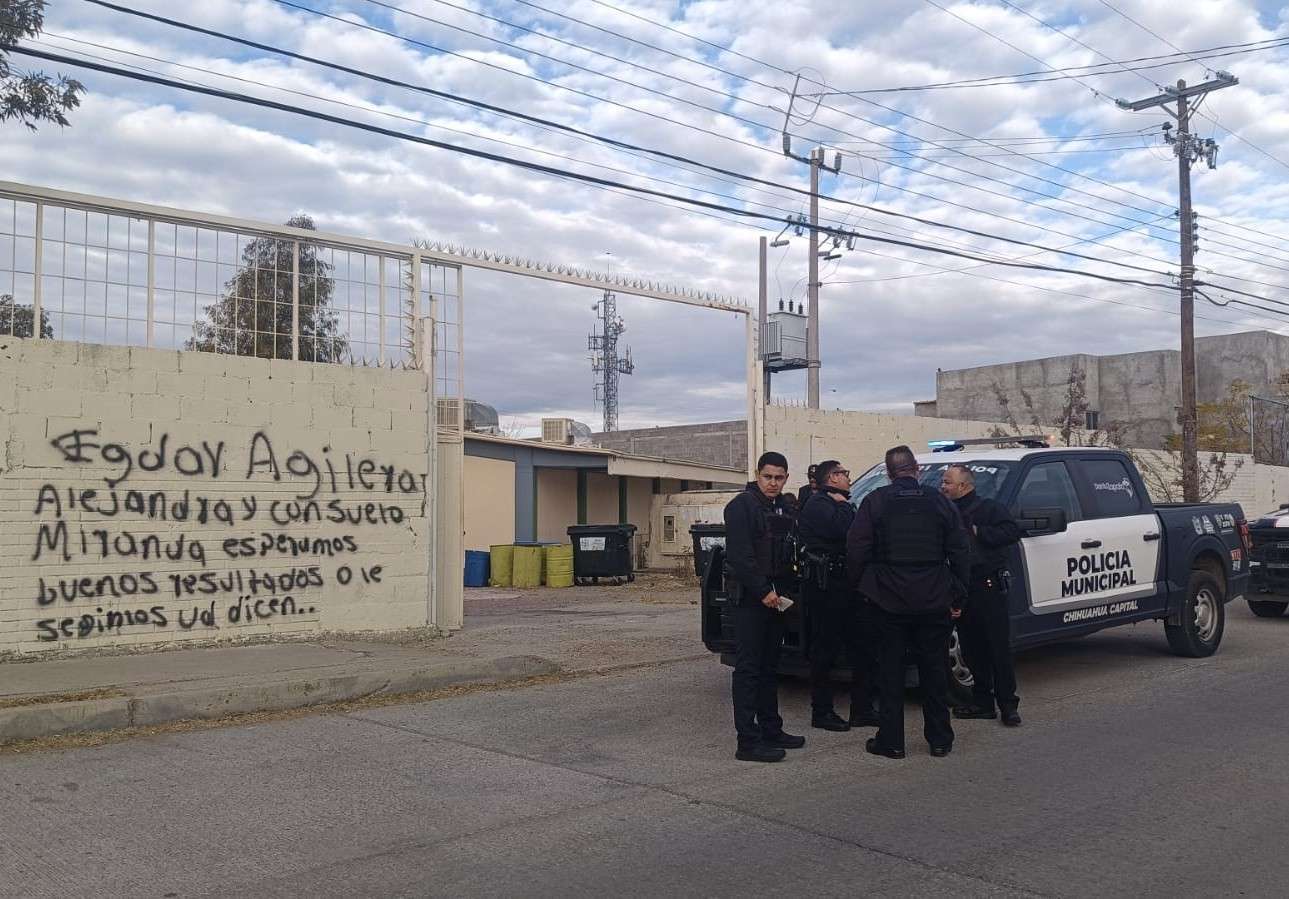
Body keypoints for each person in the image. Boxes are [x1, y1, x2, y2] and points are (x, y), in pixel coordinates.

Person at [847, 445, 970, 760]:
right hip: (933, 598)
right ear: (917, 469)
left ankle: (892, 741)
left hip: (888, 601)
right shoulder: (940, 502)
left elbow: (857, 550)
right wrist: (957, 593)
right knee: (934, 669)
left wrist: (864, 589)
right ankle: (940, 740)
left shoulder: (875, 502)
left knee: (890, 672)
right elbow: (959, 550)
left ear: (889, 474)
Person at [723, 451, 805, 763]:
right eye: (768, 477)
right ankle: (747, 741)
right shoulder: (742, 506)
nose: (773, 483)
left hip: (777, 597)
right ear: (758, 475)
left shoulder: (782, 505)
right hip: (751, 599)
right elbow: (740, 557)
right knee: (748, 670)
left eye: (779, 477)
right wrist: (763, 591)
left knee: (771, 666)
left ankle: (772, 729)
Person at [797, 459, 879, 732]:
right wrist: (844, 507)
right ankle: (822, 712)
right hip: (825, 587)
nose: (847, 477)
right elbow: (846, 531)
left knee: (862, 647)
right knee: (825, 651)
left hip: (846, 584)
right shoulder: (819, 504)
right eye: (844, 473)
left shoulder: (839, 502)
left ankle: (862, 709)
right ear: (832, 478)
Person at [940, 464, 1024, 727]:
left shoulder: (989, 509)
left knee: (998, 648)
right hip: (961, 588)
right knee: (972, 648)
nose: (943, 487)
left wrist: (980, 532)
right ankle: (982, 702)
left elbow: (1012, 532)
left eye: (947, 482)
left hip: (988, 585)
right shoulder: (944, 511)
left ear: (964, 486)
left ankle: (1008, 705)